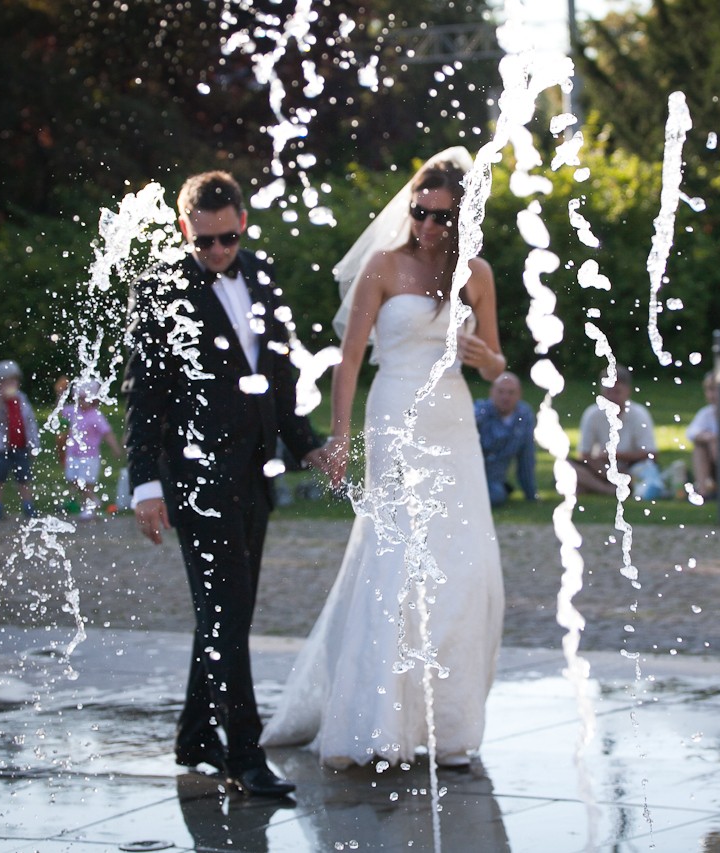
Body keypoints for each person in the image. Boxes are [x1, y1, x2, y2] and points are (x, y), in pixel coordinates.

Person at [260, 148, 506, 772]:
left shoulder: (476, 275)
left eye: (440, 218)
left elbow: (500, 362)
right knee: (395, 563)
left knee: (463, 565)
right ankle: (377, 725)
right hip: (396, 413)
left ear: (463, 220)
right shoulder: (383, 265)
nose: (426, 226)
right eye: (420, 213)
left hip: (452, 420)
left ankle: (448, 730)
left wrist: (487, 363)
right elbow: (348, 360)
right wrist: (339, 437)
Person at [122, 170, 327, 798]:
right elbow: (144, 396)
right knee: (227, 611)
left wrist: (308, 443)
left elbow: (279, 371)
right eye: (205, 240)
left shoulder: (260, 274)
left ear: (242, 223)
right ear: (185, 228)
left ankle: (194, 737)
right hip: (195, 475)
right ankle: (244, 753)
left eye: (228, 239)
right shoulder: (160, 289)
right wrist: (144, 485)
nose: (217, 251)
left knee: (225, 614)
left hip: (254, 473)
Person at [570, 366, 666, 500]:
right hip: (601, 467)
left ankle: (596, 486)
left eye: (617, 392)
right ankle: (608, 489)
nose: (612, 397)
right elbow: (584, 454)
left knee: (645, 470)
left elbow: (651, 454)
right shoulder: (592, 414)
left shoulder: (639, 415)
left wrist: (615, 456)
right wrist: (605, 471)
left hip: (631, 468)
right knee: (567, 467)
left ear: (627, 391)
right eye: (608, 392)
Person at [0, 359, 40, 520]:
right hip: (1, 447)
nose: (11, 384)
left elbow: (30, 423)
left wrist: (34, 444)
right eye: (6, 382)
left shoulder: (22, 400)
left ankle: (28, 505)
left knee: (23, 478)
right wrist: (1, 402)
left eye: (13, 381)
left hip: (20, 445)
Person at [61, 379, 123, 519]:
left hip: (89, 456)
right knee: (74, 481)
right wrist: (60, 394)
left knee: (87, 484)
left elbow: (107, 433)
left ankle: (89, 507)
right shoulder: (73, 411)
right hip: (73, 454)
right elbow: (60, 411)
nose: (82, 402)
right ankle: (92, 502)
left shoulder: (96, 416)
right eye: (80, 399)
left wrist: (115, 447)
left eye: (86, 399)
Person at [474, 371, 537, 506]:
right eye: (501, 392)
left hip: (494, 480)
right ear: (492, 392)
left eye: (511, 392)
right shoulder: (479, 413)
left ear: (519, 394)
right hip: (471, 476)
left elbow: (526, 458)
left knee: (496, 495)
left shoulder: (524, 416)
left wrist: (531, 495)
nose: (505, 397)